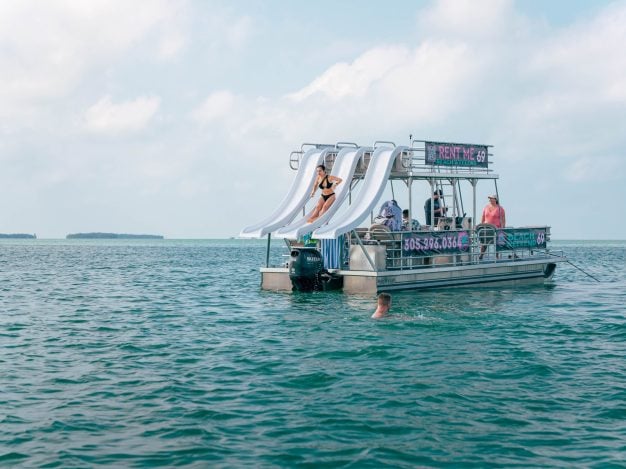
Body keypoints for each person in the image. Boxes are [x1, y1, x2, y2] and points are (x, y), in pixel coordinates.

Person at [479, 194, 506, 259]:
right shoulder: (486, 207)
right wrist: (481, 225)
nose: (490, 199)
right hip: (486, 228)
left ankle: (497, 256)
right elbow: (483, 217)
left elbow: (503, 219)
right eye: (489, 198)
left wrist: (502, 228)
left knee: (497, 243)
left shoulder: (500, 208)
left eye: (491, 198)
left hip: (496, 228)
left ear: (495, 199)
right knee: (484, 242)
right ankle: (481, 255)